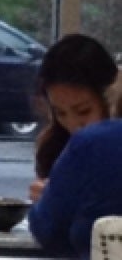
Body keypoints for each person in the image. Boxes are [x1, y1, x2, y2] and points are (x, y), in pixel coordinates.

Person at [27, 33, 122, 259]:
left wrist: (47, 200)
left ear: (109, 95)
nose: (74, 125)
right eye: (60, 113)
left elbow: (49, 230)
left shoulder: (92, 144)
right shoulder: (57, 146)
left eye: (84, 111)